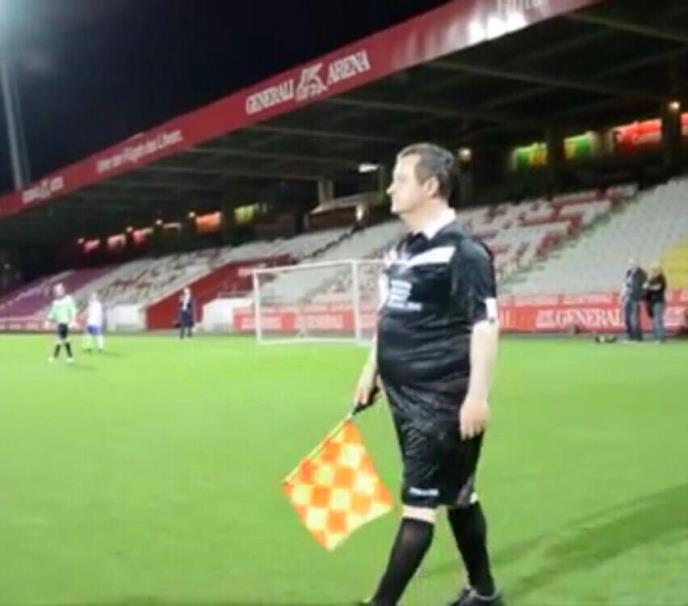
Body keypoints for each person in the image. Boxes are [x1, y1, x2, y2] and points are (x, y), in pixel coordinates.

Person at [355, 143, 502, 606]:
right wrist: (371, 370)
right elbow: (389, 317)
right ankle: (484, 593)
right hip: (404, 397)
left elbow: (485, 324)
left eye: (400, 179)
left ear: (431, 186)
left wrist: (477, 395)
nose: (390, 189)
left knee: (418, 507)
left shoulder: (464, 252)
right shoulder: (402, 250)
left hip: (440, 401)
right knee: (459, 494)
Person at [46, 283, 77, 363]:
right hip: (59, 324)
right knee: (65, 340)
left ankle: (55, 356)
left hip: (65, 323)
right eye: (57, 290)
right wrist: (48, 320)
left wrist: (73, 320)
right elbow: (52, 312)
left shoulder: (68, 299)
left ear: (63, 290)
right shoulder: (55, 302)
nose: (58, 292)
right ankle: (70, 357)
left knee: (60, 339)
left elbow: (73, 310)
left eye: (59, 290)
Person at [622, 258, 646, 341]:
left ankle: (637, 337)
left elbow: (644, 286)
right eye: (629, 264)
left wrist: (641, 296)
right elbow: (625, 284)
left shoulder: (642, 274)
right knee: (627, 317)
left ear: (637, 264)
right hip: (628, 297)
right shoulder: (628, 273)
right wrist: (623, 295)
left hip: (636, 298)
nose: (631, 266)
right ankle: (630, 336)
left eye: (632, 264)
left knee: (634, 318)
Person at [644, 262, 667, 342]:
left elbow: (658, 287)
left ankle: (661, 337)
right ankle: (656, 337)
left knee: (658, 319)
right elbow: (646, 287)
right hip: (651, 302)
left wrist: (648, 287)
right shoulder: (651, 279)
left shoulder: (661, 278)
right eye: (653, 270)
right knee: (654, 320)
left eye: (655, 270)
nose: (653, 271)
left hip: (658, 301)